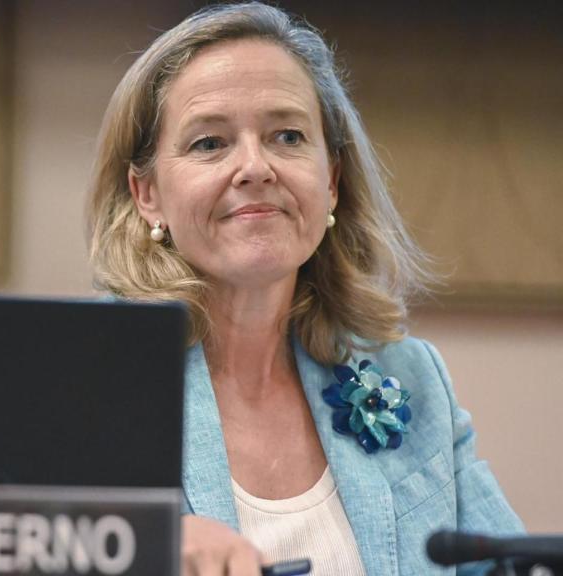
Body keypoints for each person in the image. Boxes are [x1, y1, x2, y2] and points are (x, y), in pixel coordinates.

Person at [87, 3, 523, 575]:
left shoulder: (409, 377)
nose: (255, 167)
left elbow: (515, 566)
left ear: (332, 180)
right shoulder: (85, 382)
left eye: (287, 136)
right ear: (147, 195)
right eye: (209, 143)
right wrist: (145, 548)